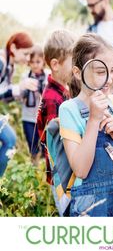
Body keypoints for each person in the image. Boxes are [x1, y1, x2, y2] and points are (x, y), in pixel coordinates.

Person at [59, 33, 113, 217]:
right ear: (78, 73)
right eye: (101, 72)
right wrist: (93, 120)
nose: (109, 79)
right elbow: (81, 169)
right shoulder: (69, 110)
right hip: (90, 208)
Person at [37, 29, 75, 214]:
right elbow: (56, 144)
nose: (76, 67)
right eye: (72, 61)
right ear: (55, 64)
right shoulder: (53, 99)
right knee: (68, 214)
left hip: (68, 170)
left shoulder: (64, 90)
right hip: (62, 175)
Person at [0, 32, 37, 177]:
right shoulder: (1, 61)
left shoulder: (10, 66)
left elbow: (4, 96)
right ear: (14, 48)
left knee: (10, 139)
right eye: (25, 53)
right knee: (10, 139)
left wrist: (21, 93)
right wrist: (19, 87)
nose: (27, 58)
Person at [21, 44, 49, 165]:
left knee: (46, 148)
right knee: (32, 147)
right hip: (28, 118)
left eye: (38, 61)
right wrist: (26, 90)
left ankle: (45, 173)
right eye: (32, 62)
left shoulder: (48, 76)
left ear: (43, 61)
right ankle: (34, 169)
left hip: (44, 118)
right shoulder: (25, 77)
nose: (35, 65)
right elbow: (20, 96)